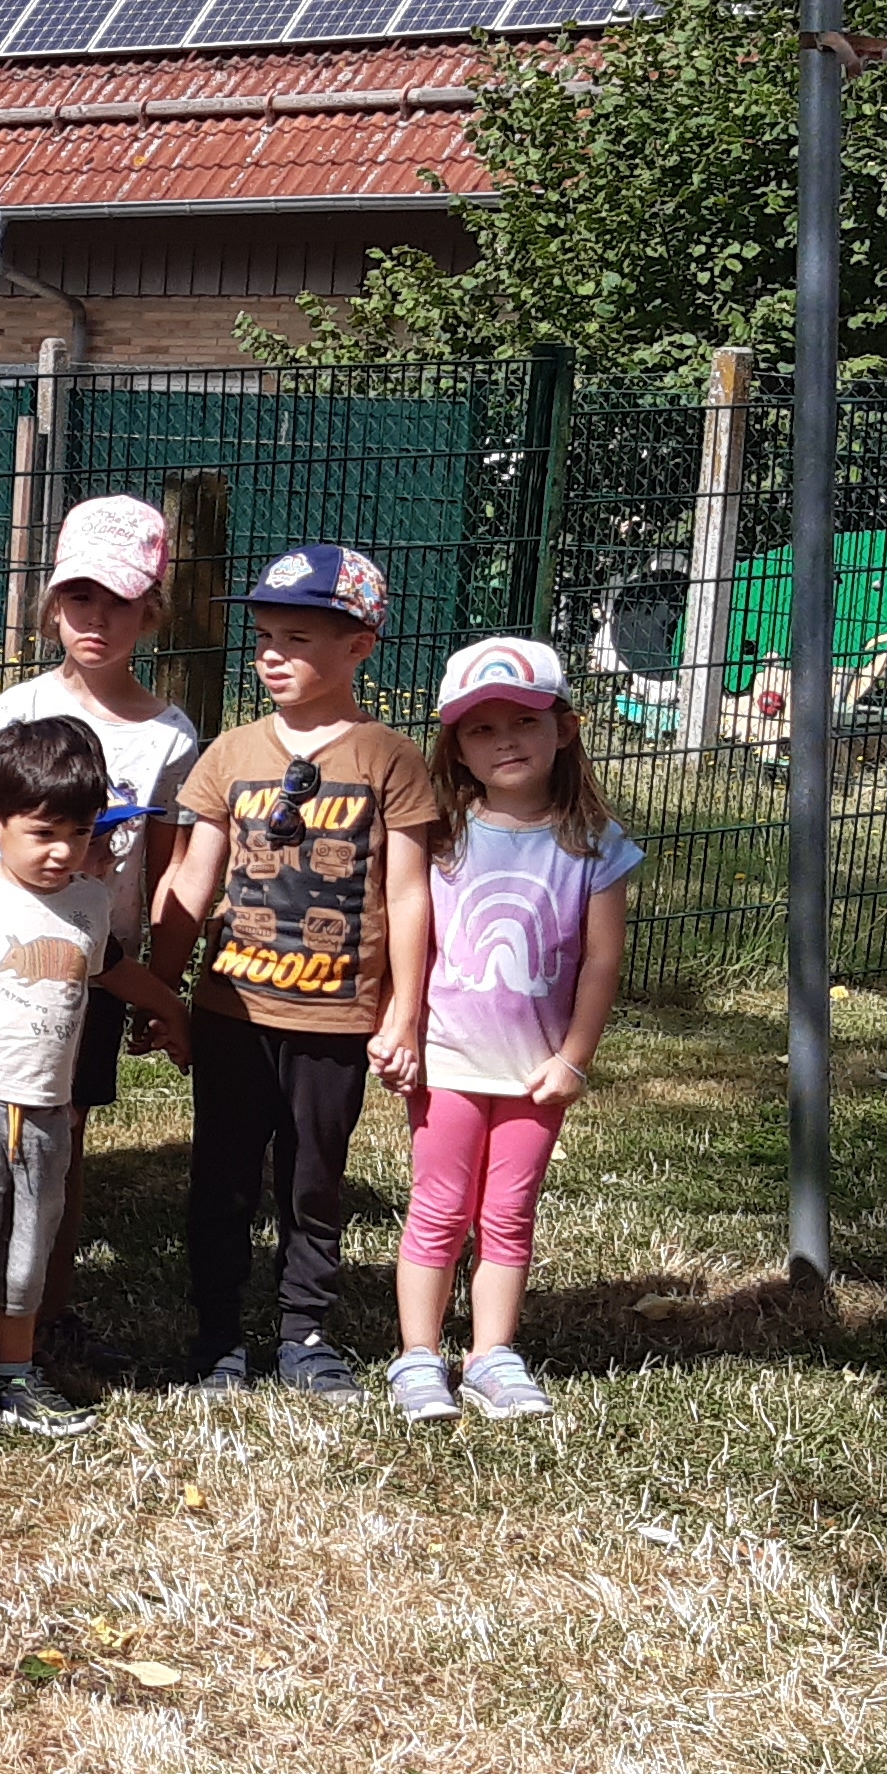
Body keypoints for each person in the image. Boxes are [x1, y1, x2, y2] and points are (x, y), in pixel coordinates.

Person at [155, 543, 442, 1399]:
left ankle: (305, 1333)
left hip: (337, 1021)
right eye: (266, 636)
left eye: (299, 639)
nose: (274, 655)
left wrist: (402, 1015)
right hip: (232, 1014)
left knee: (314, 1182)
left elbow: (410, 893)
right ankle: (216, 1338)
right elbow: (191, 881)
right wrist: (160, 993)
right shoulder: (229, 753)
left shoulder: (387, 757)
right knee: (223, 1179)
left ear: (360, 647)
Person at [0, 715, 190, 1445]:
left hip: (48, 1111)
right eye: (44, 833)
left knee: (29, 1251)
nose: (63, 853)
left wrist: (174, 1012)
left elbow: (114, 972)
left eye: (80, 834)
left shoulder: (87, 904)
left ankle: (17, 1373)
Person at [0, 495, 200, 1361]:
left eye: (121, 601)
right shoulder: (7, 716)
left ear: (152, 610)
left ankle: (46, 1316)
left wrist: (158, 986)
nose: (97, 619)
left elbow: (172, 868)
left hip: (95, 970)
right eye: (80, 598)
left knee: (60, 1148)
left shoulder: (170, 737)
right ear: (53, 604)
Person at [391, 637, 640, 1425]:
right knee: (438, 1206)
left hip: (537, 1072)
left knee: (509, 1211)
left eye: (524, 722)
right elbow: (412, 938)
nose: (505, 742)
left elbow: (601, 963)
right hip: (448, 1065)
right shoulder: (441, 837)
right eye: (480, 729)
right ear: (456, 748)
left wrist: (576, 1059)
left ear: (563, 729)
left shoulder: (595, 846)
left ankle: (492, 1354)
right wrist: (402, 1031)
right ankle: (418, 1357)